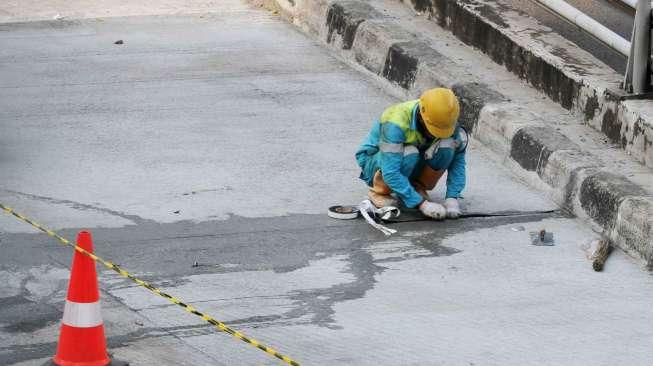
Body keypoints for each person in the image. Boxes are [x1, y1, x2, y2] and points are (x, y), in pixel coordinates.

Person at [355, 88, 467, 220]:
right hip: (375, 162)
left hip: (414, 158)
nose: (435, 134)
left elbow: (457, 161)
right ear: (420, 116)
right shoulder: (395, 123)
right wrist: (422, 204)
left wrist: (452, 198)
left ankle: (416, 187)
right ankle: (380, 192)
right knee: (410, 153)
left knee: (448, 145)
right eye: (434, 129)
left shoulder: (447, 120)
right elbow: (390, 171)